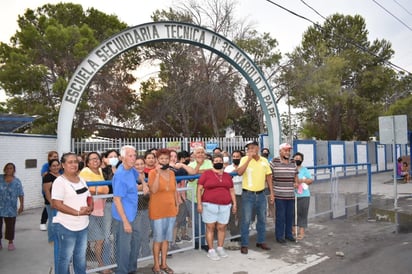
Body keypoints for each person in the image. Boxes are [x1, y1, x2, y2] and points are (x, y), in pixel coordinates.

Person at [52, 152, 93, 274]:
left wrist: (90, 208)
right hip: (66, 226)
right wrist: (77, 213)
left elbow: (89, 197)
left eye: (76, 161)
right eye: (70, 162)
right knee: (64, 259)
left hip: (83, 225)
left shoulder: (82, 180)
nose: (74, 164)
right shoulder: (60, 182)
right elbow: (56, 204)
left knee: (80, 258)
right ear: (63, 165)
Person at [197, 154, 236, 260]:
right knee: (210, 227)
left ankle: (220, 247)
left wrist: (234, 203)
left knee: (222, 227)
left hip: (225, 205)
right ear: (213, 162)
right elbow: (199, 189)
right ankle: (211, 250)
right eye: (216, 160)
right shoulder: (207, 174)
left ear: (223, 162)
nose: (218, 162)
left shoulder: (227, 176)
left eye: (220, 160)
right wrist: (199, 204)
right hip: (209, 205)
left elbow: (232, 190)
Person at [237, 140, 273, 254]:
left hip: (261, 194)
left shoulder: (264, 160)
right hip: (248, 194)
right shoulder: (244, 159)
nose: (250, 149)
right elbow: (239, 172)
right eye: (248, 148)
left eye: (253, 147)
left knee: (262, 219)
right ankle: (244, 244)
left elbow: (268, 177)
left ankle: (261, 241)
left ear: (258, 148)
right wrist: (248, 158)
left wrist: (272, 192)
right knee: (246, 220)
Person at [79, 152, 111, 274]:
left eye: (97, 158)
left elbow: (106, 189)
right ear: (87, 162)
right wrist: (100, 190)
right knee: (98, 238)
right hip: (90, 210)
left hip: (100, 209)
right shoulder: (85, 171)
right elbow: (88, 190)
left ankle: (98, 264)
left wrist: (100, 190)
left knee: (98, 239)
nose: (95, 161)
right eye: (92, 159)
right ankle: (100, 265)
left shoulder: (100, 172)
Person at [148, 148, 179, 274]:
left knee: (166, 238)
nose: (164, 161)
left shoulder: (172, 173)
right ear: (157, 160)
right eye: (162, 159)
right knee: (158, 238)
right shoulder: (152, 173)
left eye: (166, 158)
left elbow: (174, 190)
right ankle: (156, 265)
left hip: (171, 209)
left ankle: (164, 263)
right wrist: (158, 173)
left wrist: (177, 205)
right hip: (157, 210)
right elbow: (154, 190)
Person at [111, 146, 139, 274]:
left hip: (133, 214)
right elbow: (117, 200)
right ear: (122, 158)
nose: (133, 158)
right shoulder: (120, 175)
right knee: (124, 248)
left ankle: (131, 269)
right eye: (130, 156)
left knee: (135, 244)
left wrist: (143, 184)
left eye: (134, 155)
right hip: (124, 217)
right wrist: (125, 221)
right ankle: (121, 271)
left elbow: (138, 176)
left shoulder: (131, 169)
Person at [271, 143, 298, 244]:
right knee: (280, 216)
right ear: (280, 151)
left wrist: (296, 182)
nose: (288, 152)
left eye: (289, 150)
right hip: (279, 194)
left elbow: (295, 175)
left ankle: (288, 234)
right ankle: (279, 236)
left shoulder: (293, 162)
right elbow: (269, 176)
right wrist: (272, 193)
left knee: (289, 216)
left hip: (290, 194)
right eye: (285, 150)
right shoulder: (274, 162)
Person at [187, 146, 213, 250]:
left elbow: (211, 172)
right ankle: (198, 241)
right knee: (196, 222)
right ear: (194, 154)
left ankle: (203, 242)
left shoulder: (209, 163)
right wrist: (198, 167)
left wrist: (196, 171)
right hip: (192, 197)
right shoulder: (190, 164)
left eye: (202, 152)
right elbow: (192, 178)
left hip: (206, 197)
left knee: (205, 221)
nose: (200, 154)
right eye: (198, 152)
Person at [0, 163, 24, 251]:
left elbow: (21, 194)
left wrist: (21, 205)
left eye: (11, 168)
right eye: (7, 168)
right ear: (4, 169)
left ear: (14, 170)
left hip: (11, 207)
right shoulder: (0, 178)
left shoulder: (17, 181)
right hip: (0, 206)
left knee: (10, 225)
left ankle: (10, 242)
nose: (9, 170)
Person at [292, 152, 313, 240]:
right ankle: (293, 231)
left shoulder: (305, 170)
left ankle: (301, 232)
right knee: (292, 213)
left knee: (302, 214)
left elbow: (310, 180)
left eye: (299, 158)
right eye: (295, 158)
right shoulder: (290, 169)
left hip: (304, 195)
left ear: (302, 160)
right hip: (292, 195)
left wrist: (302, 181)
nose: (297, 159)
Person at [134, 156, 151, 258]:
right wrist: (146, 185)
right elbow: (134, 188)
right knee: (137, 233)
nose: (140, 166)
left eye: (141, 164)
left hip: (146, 207)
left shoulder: (148, 174)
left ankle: (146, 253)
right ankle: (135, 254)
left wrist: (146, 185)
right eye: (137, 164)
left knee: (145, 232)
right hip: (136, 209)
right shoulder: (131, 176)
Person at [225, 150, 243, 238]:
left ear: (241, 157)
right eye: (234, 156)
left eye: (237, 156)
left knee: (241, 215)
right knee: (231, 215)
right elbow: (227, 178)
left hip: (242, 193)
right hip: (231, 194)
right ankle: (233, 232)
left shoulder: (244, 167)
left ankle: (240, 232)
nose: (235, 158)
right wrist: (234, 171)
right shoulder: (228, 168)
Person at [42, 159, 61, 243]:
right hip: (51, 203)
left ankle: (58, 237)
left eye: (57, 165)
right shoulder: (48, 176)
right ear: (49, 167)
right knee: (52, 220)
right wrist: (51, 202)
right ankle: (52, 239)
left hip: (60, 202)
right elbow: (46, 191)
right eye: (53, 166)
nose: (56, 167)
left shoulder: (61, 175)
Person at [40, 150, 59, 231]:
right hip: (50, 195)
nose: (56, 158)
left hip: (59, 198)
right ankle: (43, 222)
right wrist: (51, 201)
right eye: (54, 156)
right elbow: (44, 175)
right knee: (51, 213)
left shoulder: (60, 173)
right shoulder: (46, 167)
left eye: (57, 156)